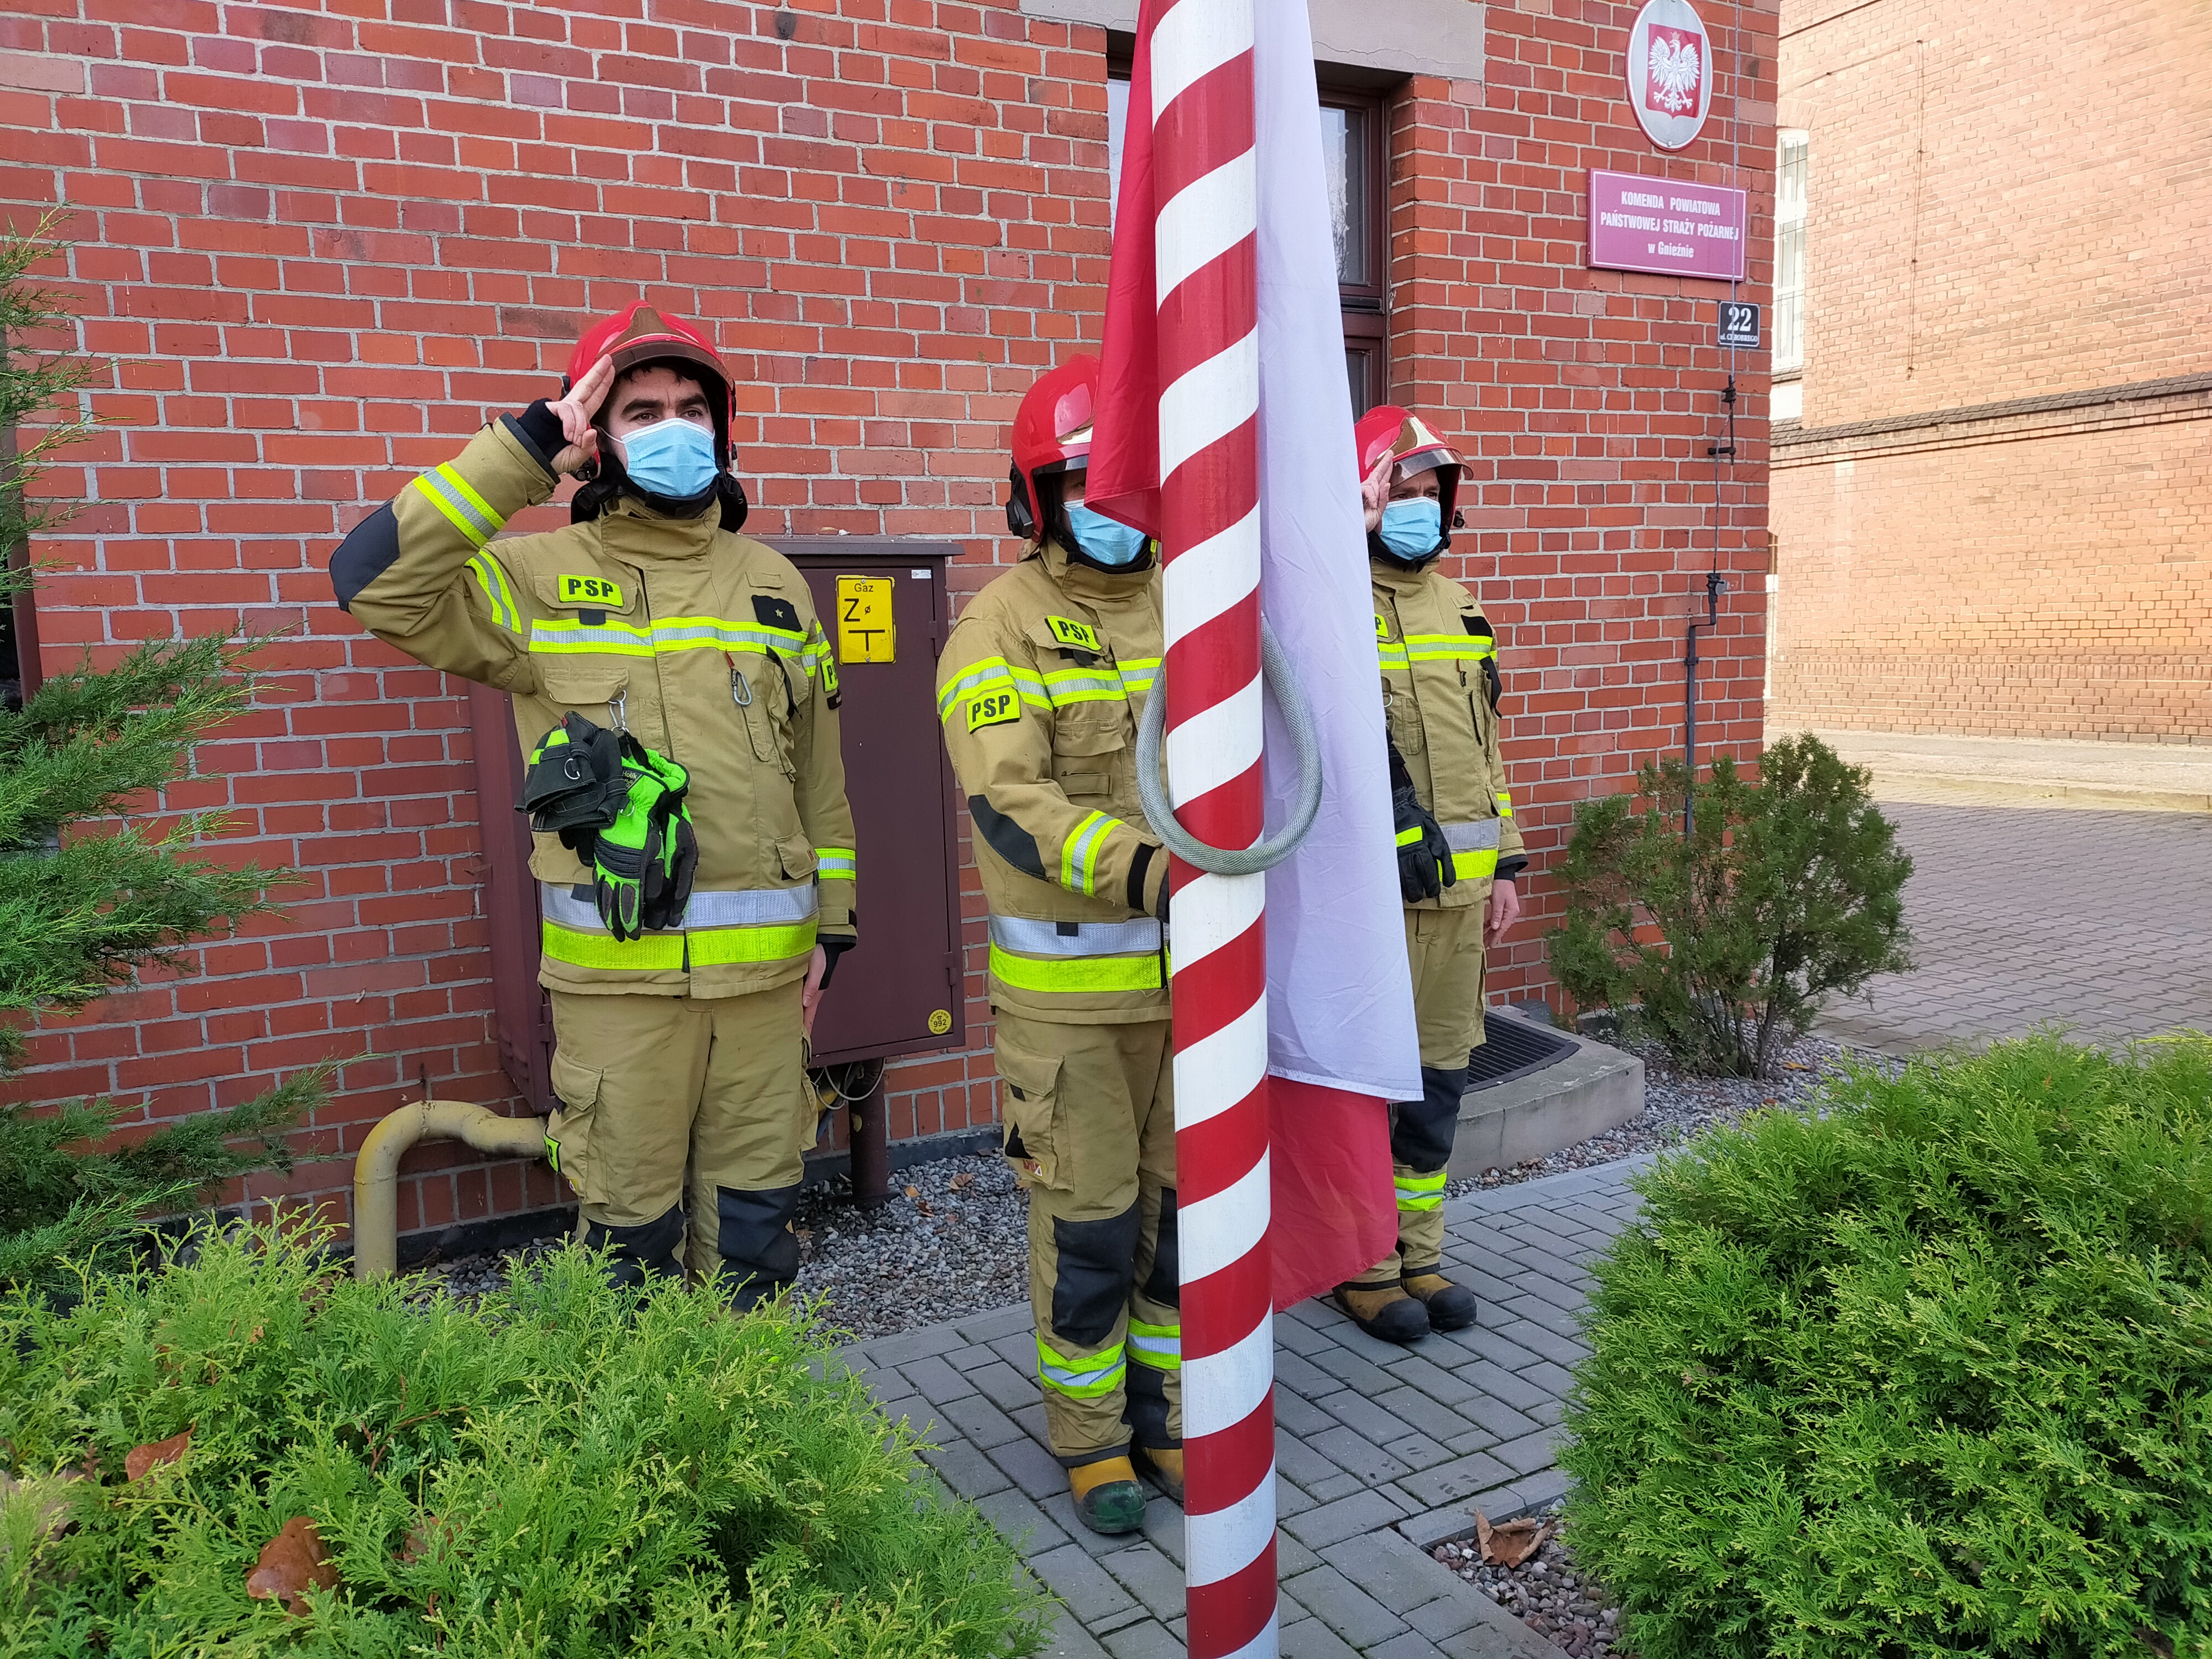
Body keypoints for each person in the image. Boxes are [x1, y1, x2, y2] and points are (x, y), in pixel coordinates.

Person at [328, 303, 857, 1305]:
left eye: (693, 408)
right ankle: (648, 1417)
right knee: (629, 1250)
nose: (674, 428)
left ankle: (748, 1408)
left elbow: (818, 781)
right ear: (600, 439)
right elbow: (374, 581)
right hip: (620, 999)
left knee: (756, 1243)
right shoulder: (533, 579)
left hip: (766, 996)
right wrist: (529, 448)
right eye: (642, 412)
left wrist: (834, 930)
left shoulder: (775, 583)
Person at [934, 356, 1178, 1535]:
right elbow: (1011, 801)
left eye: (1127, 478)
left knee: (1179, 1229)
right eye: (1083, 482)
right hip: (1073, 1010)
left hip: (1200, 995)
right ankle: (1090, 1440)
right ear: (1037, 496)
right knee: (1090, 1230)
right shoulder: (996, 625)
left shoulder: (1200, 599)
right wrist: (1155, 874)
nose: (1108, 503)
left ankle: (1165, 1413)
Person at [1332, 405, 1526, 1345]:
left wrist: (1507, 863)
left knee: (1436, 1086)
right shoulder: (1332, 599)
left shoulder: (1461, 606)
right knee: (1367, 1088)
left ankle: (1421, 1254)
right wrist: (1346, 533)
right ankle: (1362, 1267)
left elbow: (1488, 753)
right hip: (1371, 906)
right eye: (1398, 491)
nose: (1418, 506)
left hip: (1460, 902)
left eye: (1428, 491)